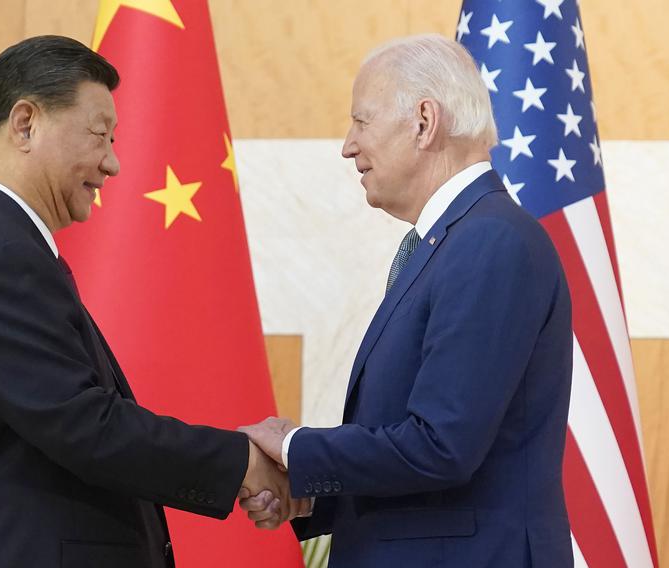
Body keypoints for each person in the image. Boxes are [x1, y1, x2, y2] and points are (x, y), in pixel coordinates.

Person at [0, 35, 290, 568]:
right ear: (25, 123)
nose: (113, 164)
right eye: (99, 136)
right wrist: (240, 461)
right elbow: (85, 426)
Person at [239, 34, 574, 567]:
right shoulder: (453, 241)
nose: (348, 146)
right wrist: (312, 493)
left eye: (361, 121)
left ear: (424, 121)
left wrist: (294, 446)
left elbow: (442, 446)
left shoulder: (490, 242)